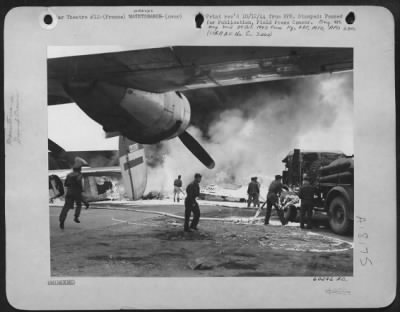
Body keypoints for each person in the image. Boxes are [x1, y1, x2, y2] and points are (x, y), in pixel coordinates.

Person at [59, 157, 87, 229]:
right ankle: (76, 217)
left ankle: (62, 221)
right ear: (79, 169)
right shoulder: (79, 175)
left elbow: (66, 184)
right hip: (76, 192)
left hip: (69, 192)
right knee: (78, 204)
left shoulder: (69, 175)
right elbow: (80, 185)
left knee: (66, 207)